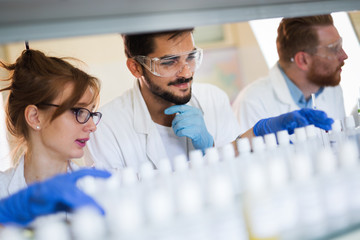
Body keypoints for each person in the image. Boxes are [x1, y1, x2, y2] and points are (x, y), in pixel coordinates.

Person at [85, 28, 333, 172]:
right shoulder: (106, 128)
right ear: (136, 68)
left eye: (191, 57)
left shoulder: (213, 99)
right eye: (170, 62)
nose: (186, 72)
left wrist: (211, 149)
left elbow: (240, 177)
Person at [0, 45, 104, 222]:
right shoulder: (4, 195)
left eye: (91, 113)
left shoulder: (97, 188)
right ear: (34, 117)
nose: (92, 126)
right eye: (79, 111)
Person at [232, 14, 347, 133]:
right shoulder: (252, 103)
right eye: (334, 48)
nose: (344, 55)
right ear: (303, 60)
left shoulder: (332, 90)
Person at [0, 168, 111, 226]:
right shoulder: (3, 184)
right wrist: (7, 212)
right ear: (35, 122)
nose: (92, 127)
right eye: (78, 122)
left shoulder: (99, 184)